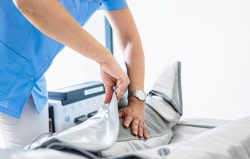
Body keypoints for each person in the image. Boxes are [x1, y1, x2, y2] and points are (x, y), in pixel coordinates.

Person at [0, 0, 148, 149]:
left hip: (27, 83)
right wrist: (105, 58)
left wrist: (137, 101)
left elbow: (130, 40)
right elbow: (29, 3)